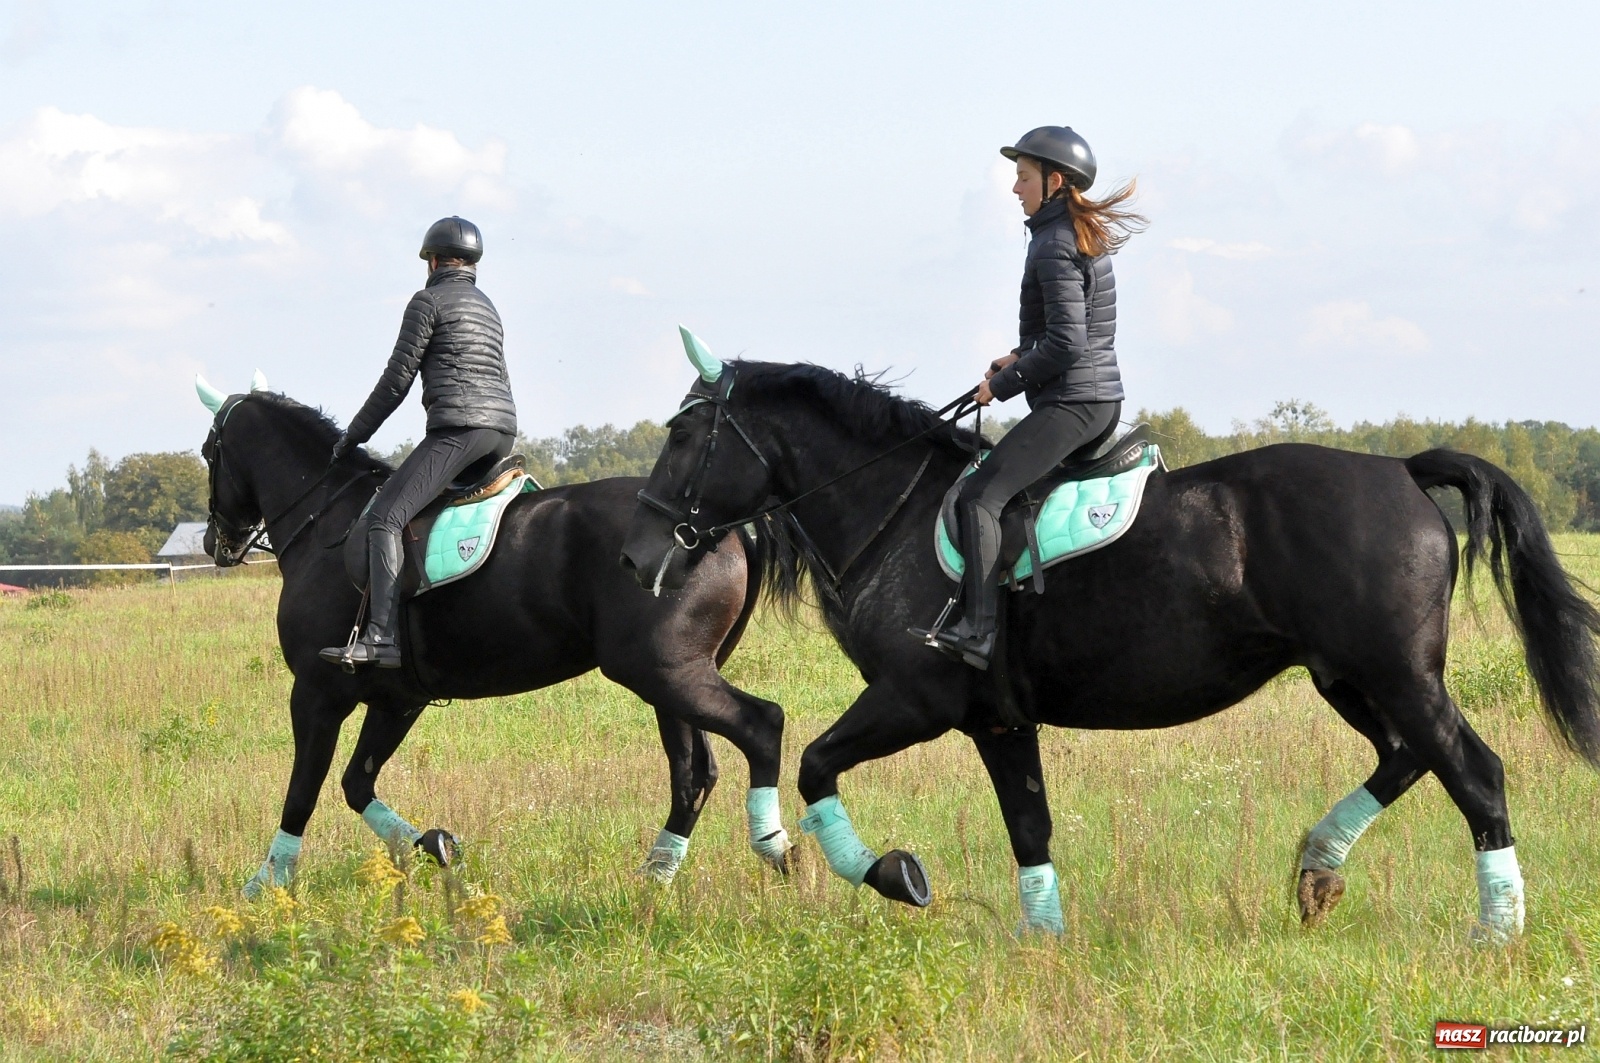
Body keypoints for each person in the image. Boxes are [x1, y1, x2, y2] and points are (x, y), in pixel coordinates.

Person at [922, 126, 1145, 670]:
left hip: (1076, 401)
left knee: (980, 496)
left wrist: (1001, 386)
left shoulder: (1055, 241)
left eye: (1023, 177)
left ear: (1055, 180)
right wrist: (1016, 356)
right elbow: (1066, 331)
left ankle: (978, 631)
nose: (1015, 188)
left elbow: (1068, 344)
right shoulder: (1064, 233)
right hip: (1092, 397)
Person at [319, 216, 518, 668]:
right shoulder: (487, 307)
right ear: (472, 263)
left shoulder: (426, 300)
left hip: (459, 430)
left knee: (386, 518)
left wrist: (353, 436)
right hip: (501, 432)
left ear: (431, 260)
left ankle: (381, 640)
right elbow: (500, 377)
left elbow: (395, 382)